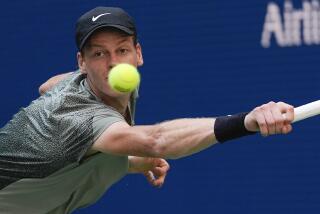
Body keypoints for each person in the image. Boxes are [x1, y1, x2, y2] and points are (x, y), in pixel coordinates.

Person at [0, 6, 295, 214]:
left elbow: (46, 86)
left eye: (122, 50)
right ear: (82, 62)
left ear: (138, 54)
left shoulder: (100, 82)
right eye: (99, 53)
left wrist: (129, 162)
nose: (114, 63)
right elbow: (156, 140)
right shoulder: (81, 117)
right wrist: (248, 121)